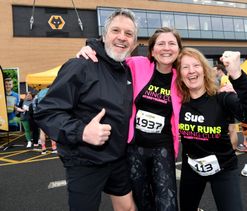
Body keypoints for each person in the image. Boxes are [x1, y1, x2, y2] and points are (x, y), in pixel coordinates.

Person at [34, 8, 138, 211]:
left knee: (127, 208)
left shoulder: (127, 70)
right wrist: (81, 131)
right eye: (116, 30)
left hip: (117, 158)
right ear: (104, 35)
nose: (122, 37)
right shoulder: (80, 65)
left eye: (128, 34)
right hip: (84, 161)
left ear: (134, 42)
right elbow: (46, 111)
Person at [77, 27, 182, 211]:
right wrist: (90, 47)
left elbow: (203, 87)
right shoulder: (137, 64)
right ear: (152, 50)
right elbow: (110, 57)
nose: (166, 48)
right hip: (134, 148)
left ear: (178, 50)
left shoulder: (181, 77)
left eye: (172, 43)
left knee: (167, 202)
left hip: (163, 148)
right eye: (161, 43)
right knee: (142, 201)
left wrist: (225, 89)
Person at [176, 48, 247, 211]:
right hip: (192, 168)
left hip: (223, 169)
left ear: (204, 70)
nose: (191, 71)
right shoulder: (177, 103)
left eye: (196, 65)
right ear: (180, 74)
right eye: (185, 67)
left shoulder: (222, 97)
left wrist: (237, 74)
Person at [214, 64, 238, 150]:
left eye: (214, 70)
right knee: (231, 129)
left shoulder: (224, 78)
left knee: (231, 129)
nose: (213, 72)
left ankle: (233, 148)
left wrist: (218, 90)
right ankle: (233, 149)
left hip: (226, 106)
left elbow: (226, 90)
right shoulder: (223, 78)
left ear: (219, 70)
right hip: (228, 105)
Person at [35, 87, 57, 154]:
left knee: (42, 131)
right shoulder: (53, 91)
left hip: (40, 111)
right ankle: (54, 147)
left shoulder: (40, 92)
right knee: (52, 130)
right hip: (50, 111)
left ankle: (43, 148)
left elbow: (35, 103)